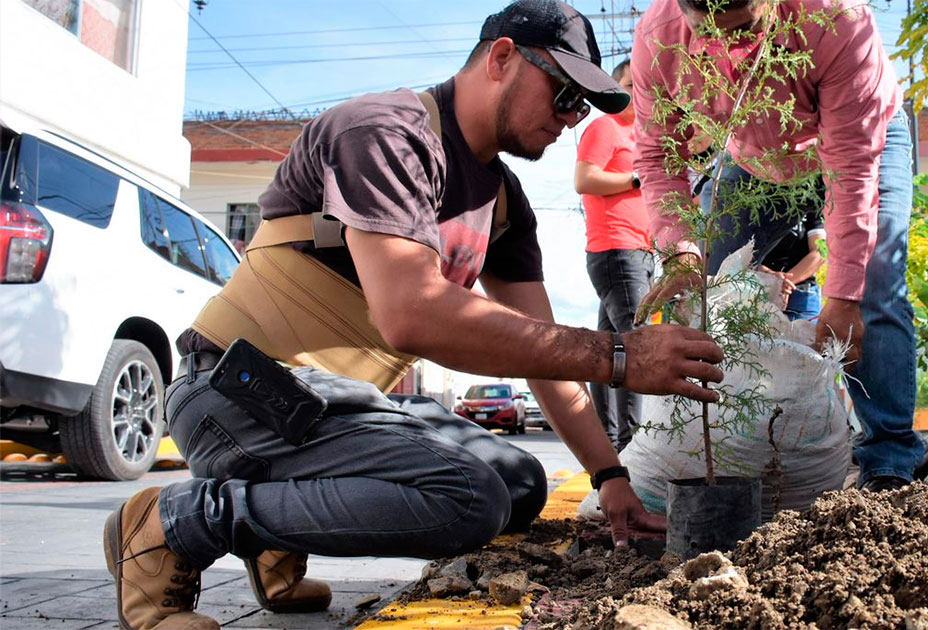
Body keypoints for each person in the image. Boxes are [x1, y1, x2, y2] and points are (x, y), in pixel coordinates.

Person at [102, 3, 727, 629]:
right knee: (467, 499)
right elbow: (413, 316)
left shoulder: (504, 202)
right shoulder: (385, 133)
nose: (570, 118)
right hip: (237, 393)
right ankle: (176, 526)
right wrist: (619, 356)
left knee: (519, 483)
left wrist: (609, 475)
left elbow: (546, 355)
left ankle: (274, 527)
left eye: (582, 106)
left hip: (331, 408)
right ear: (502, 57)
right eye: (563, 92)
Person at [631, 0, 923, 491]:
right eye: (710, 33)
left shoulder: (837, 20)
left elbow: (851, 172)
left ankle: (889, 462)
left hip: (860, 144)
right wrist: (680, 251)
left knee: (875, 288)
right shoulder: (659, 37)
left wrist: (844, 295)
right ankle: (705, 455)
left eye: (744, 28)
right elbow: (659, 156)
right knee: (705, 294)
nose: (728, 47)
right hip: (751, 158)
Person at [574, 59, 654, 451]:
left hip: (637, 251)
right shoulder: (604, 127)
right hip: (617, 249)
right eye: (628, 84)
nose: (636, 93)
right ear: (614, 88)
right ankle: (632, 447)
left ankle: (609, 446)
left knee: (610, 350)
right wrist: (638, 177)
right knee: (636, 348)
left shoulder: (643, 137)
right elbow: (584, 179)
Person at [758, 210, 827, 322]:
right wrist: (770, 277)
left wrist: (784, 284)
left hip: (801, 293)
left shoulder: (812, 205)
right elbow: (739, 253)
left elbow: (820, 252)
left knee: (805, 338)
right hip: (757, 286)